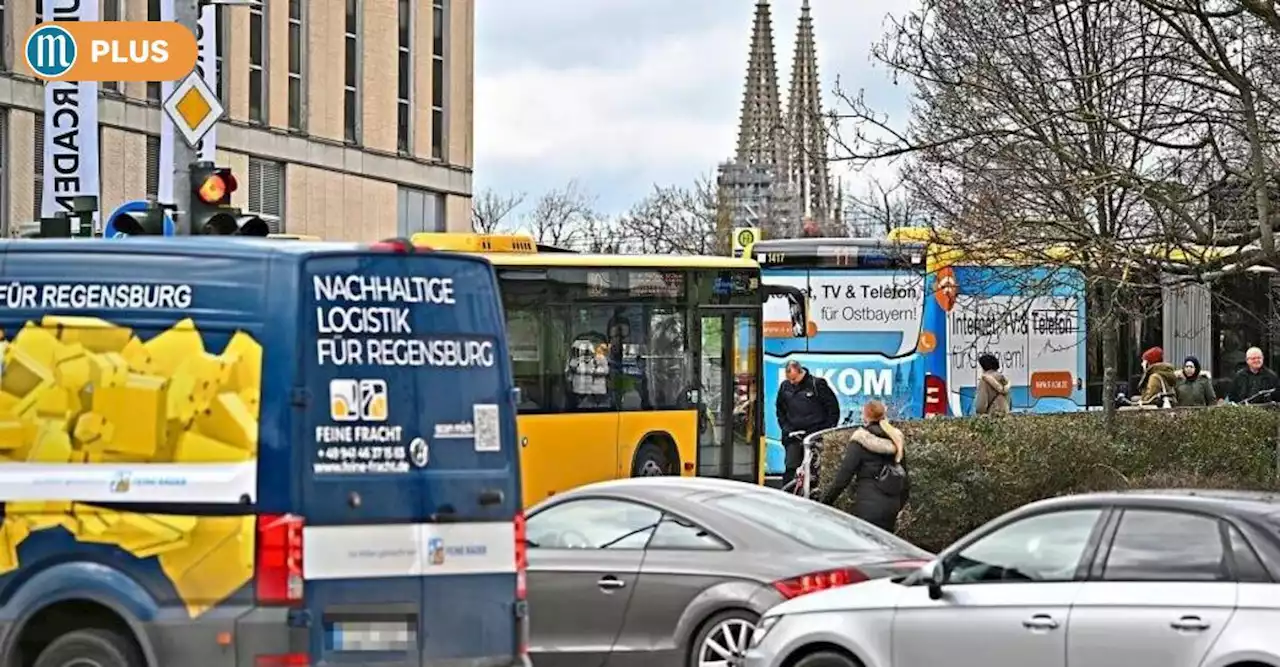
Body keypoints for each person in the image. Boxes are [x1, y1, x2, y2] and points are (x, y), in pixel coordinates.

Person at [820, 400, 909, 532]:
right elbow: (905, 477)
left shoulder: (860, 439)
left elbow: (843, 477)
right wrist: (899, 504)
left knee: (868, 546)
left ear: (865, 416)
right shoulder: (895, 438)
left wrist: (825, 503)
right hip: (892, 506)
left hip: (868, 506)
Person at [775, 360, 840, 486]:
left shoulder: (817, 384)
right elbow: (780, 410)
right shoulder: (785, 386)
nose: (792, 382)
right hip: (793, 436)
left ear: (801, 372)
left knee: (814, 471)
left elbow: (833, 410)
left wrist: (825, 431)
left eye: (794, 379)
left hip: (814, 436)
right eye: (789, 380)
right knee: (790, 469)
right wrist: (785, 429)